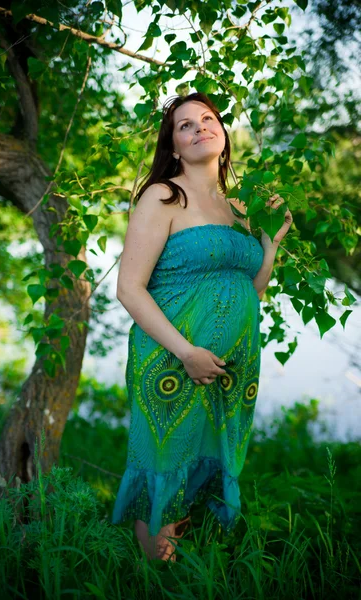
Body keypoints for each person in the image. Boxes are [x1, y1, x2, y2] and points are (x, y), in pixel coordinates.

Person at [111, 92, 293, 564]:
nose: (199, 129)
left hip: (232, 366)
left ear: (224, 133)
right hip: (172, 358)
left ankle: (183, 568)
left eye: (207, 119)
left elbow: (249, 294)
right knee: (166, 463)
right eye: (184, 125)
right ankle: (154, 577)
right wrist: (186, 352)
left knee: (204, 466)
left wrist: (268, 247)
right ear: (173, 146)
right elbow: (129, 289)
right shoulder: (163, 195)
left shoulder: (240, 209)